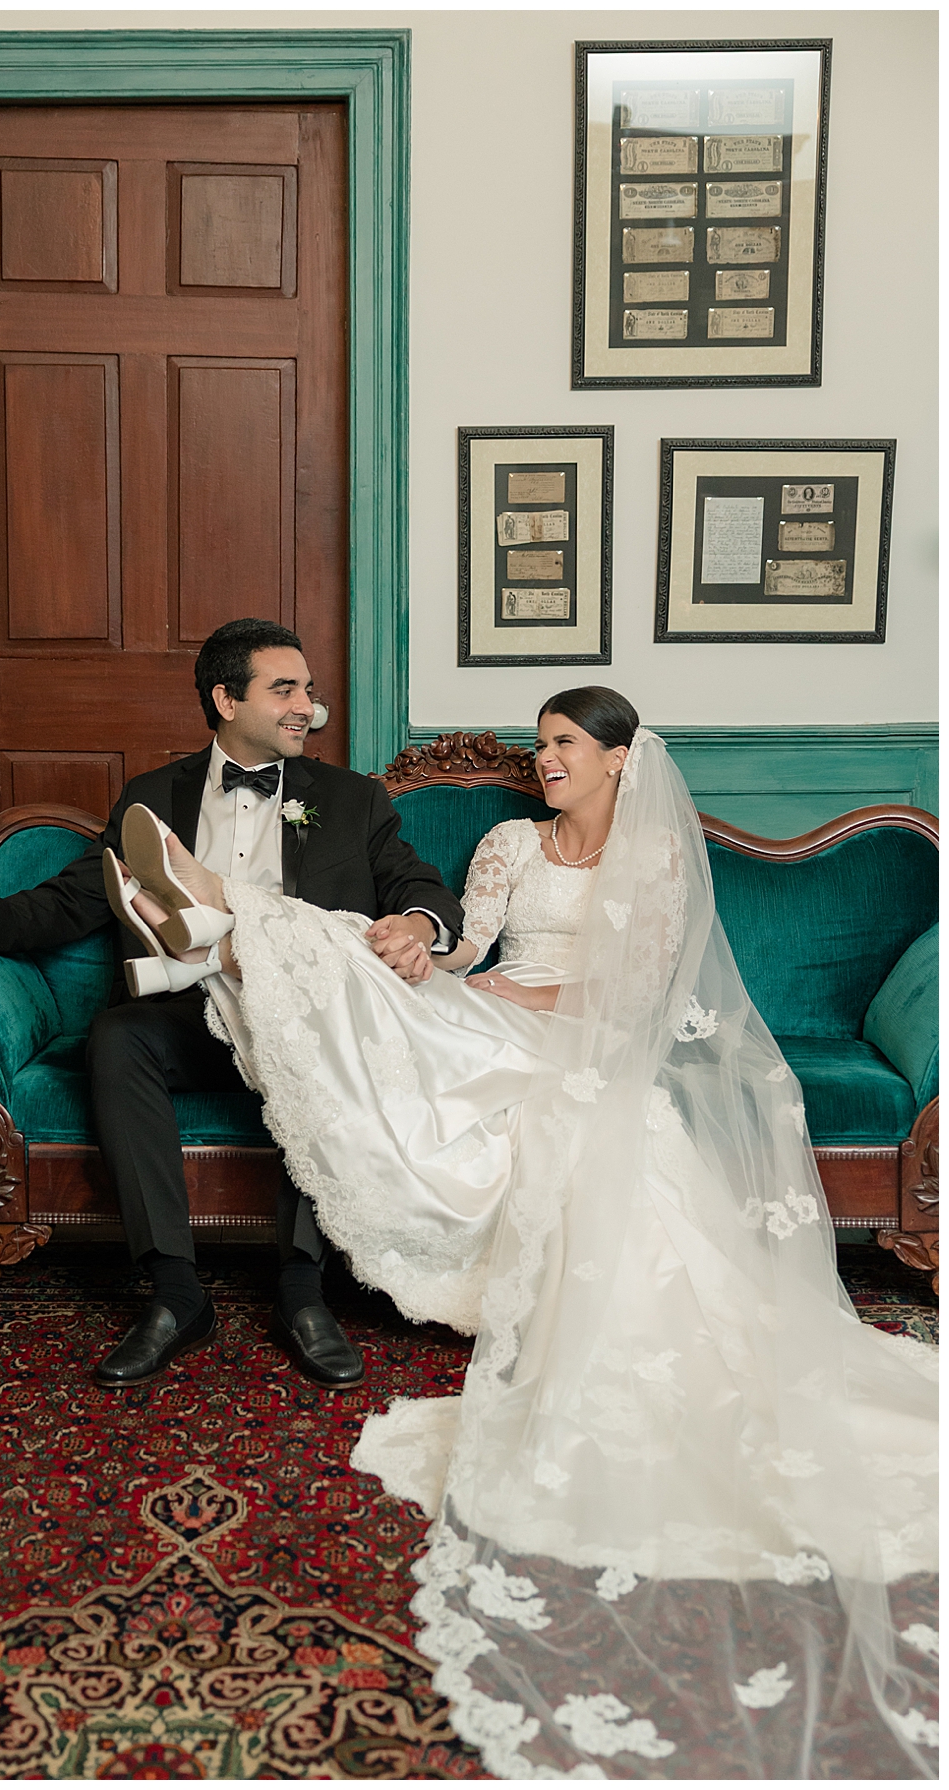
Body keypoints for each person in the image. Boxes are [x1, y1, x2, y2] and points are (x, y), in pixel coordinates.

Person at [108, 686, 938, 1779]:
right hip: (484, 1005)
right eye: (540, 743)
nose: (543, 759)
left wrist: (504, 998)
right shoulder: (506, 841)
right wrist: (425, 953)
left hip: (579, 1039)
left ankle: (216, 924)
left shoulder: (657, 860)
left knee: (515, 1086)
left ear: (618, 760)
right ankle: (221, 919)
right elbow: (467, 950)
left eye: (563, 744)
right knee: (376, 974)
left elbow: (628, 1003)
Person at [0, 619, 465, 1392]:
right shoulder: (152, 798)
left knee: (328, 1038)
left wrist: (417, 924)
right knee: (118, 1036)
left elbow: (419, 885)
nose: (306, 707)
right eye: (284, 689)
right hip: (190, 1013)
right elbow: (74, 898)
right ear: (226, 699)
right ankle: (176, 1292)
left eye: (308, 690)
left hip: (300, 1014)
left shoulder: (352, 800)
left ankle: (301, 1288)